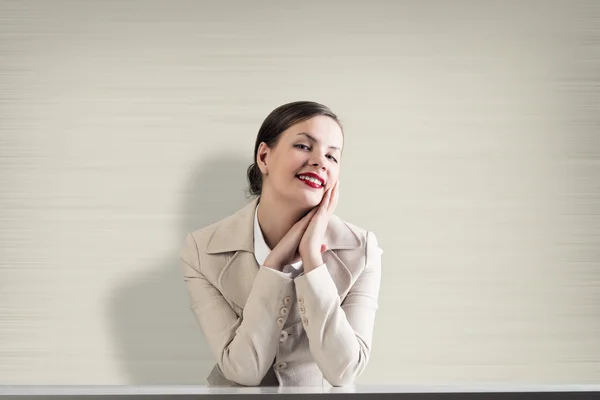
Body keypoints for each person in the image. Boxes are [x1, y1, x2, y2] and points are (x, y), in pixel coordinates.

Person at [180, 101, 383, 387]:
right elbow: (243, 371)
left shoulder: (361, 250)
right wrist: (274, 265)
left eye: (332, 156)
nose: (320, 161)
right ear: (264, 156)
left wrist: (312, 258)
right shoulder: (202, 251)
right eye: (303, 146)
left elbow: (344, 371)